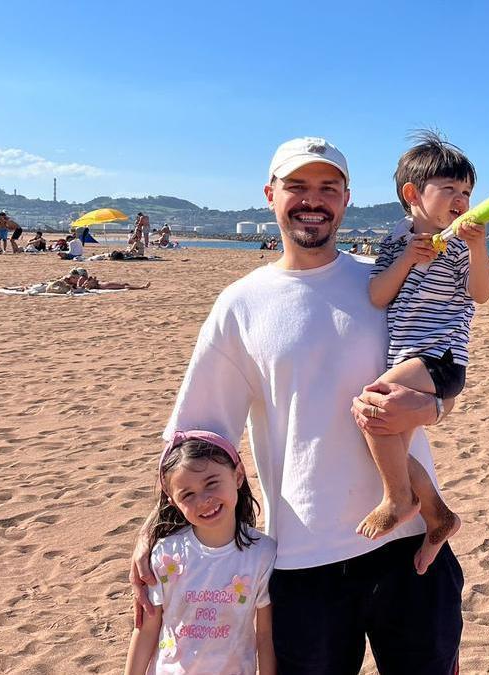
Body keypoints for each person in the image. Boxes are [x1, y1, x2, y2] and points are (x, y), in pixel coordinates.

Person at [132, 137, 463, 673]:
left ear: (346, 198)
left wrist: (432, 410)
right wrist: (157, 527)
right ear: (270, 195)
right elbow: (199, 431)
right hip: (304, 560)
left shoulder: (384, 282)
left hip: (412, 549)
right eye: (298, 187)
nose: (314, 200)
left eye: (327, 188)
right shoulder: (241, 304)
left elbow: (442, 362)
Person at [361, 131, 488, 570]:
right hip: (407, 360)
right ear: (412, 194)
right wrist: (406, 260)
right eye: (449, 189)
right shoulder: (397, 243)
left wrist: (476, 246)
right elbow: (378, 295)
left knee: (372, 404)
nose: (461, 199)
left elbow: (481, 293)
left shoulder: (457, 244)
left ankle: (397, 500)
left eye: (467, 191)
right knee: (383, 435)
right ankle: (438, 516)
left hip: (441, 361)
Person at [125, 432, 277, 675]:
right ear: (173, 502)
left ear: (238, 475)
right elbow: (147, 628)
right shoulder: (166, 553)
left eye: (211, 483)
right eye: (187, 494)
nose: (204, 500)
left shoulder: (262, 554)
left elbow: (265, 635)